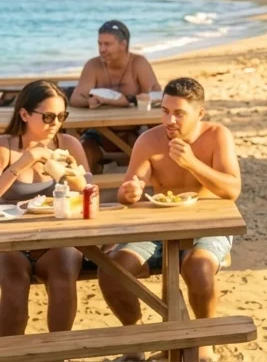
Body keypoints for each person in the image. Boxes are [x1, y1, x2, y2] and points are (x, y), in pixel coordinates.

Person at [98, 77, 241, 362]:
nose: (170, 119)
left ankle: (203, 344)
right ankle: (136, 341)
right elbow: (129, 193)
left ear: (199, 113)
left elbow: (232, 190)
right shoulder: (149, 140)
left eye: (179, 113)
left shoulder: (216, 135)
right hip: (157, 226)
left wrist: (192, 163)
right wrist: (130, 191)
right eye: (165, 111)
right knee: (112, 270)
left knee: (198, 268)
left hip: (208, 225)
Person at [0, 81, 90, 336]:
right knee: (14, 284)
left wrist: (74, 178)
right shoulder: (5, 147)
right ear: (25, 114)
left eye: (62, 116)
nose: (55, 123)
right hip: (10, 240)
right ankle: (11, 355)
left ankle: (57, 354)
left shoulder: (69, 144)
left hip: (56, 237)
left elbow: (89, 194)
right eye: (48, 116)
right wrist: (22, 163)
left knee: (63, 277)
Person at [70, 20, 161, 173]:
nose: (101, 49)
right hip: (99, 132)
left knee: (157, 154)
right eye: (99, 44)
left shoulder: (138, 63)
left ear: (123, 44)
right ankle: (86, 193)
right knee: (82, 155)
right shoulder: (93, 65)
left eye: (107, 44)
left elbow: (158, 95)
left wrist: (130, 100)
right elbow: (75, 98)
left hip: (134, 131)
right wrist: (89, 101)